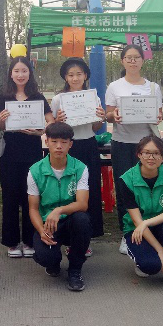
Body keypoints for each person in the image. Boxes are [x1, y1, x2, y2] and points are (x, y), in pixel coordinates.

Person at [105, 44, 163, 254]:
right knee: (124, 189)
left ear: (142, 60)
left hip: (147, 145)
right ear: (122, 61)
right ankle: (127, 233)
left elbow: (158, 114)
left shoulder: (153, 87)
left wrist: (157, 116)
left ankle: (147, 230)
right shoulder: (114, 86)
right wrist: (114, 116)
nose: (132, 61)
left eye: (136, 57)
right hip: (122, 143)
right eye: (128, 57)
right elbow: (108, 115)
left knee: (147, 188)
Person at [0, 56, 55, 258]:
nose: (20, 75)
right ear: (11, 74)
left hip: (33, 154)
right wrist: (2, 121)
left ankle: (30, 241)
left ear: (30, 73)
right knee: (10, 198)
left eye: (24, 71)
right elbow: (0, 126)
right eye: (16, 71)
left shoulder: (38, 97)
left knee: (32, 198)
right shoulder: (4, 97)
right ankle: (12, 243)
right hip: (10, 155)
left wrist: (40, 131)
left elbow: (51, 121)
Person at [116, 136, 163, 291]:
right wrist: (161, 251)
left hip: (160, 225)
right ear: (139, 154)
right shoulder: (126, 179)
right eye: (146, 153)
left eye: (156, 153)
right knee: (150, 266)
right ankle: (143, 255)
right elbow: (137, 221)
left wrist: (146, 223)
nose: (151, 157)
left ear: (162, 156)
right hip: (137, 230)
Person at [28, 122, 91, 292]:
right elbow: (33, 208)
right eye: (54, 141)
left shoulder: (80, 168)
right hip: (48, 224)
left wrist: (59, 210)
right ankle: (53, 262)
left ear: (71, 144)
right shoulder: (35, 171)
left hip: (71, 220)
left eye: (64, 142)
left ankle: (75, 269)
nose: (59, 146)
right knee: (46, 258)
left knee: (82, 219)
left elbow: (82, 204)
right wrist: (41, 230)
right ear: (46, 141)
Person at [51, 58, 105, 247]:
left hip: (88, 146)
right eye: (71, 75)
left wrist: (100, 118)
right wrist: (58, 120)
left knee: (90, 189)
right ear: (65, 77)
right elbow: (53, 129)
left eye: (79, 74)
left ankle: (87, 237)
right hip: (68, 148)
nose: (75, 78)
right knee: (69, 191)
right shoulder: (58, 99)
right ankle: (66, 235)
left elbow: (96, 127)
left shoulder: (93, 97)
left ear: (85, 76)